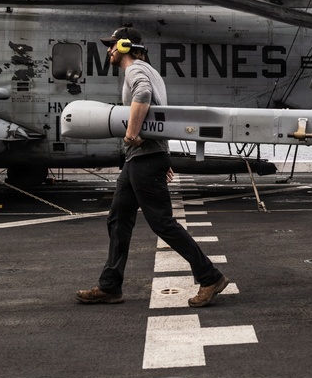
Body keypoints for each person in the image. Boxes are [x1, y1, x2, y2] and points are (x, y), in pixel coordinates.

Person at [76, 28, 229, 307]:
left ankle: (210, 277)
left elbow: (144, 95)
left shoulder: (135, 71)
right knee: (118, 220)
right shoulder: (150, 71)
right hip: (141, 159)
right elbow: (159, 118)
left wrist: (132, 133)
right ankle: (110, 286)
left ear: (124, 46)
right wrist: (160, 153)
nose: (108, 51)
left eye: (111, 45)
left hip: (144, 158)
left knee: (162, 223)